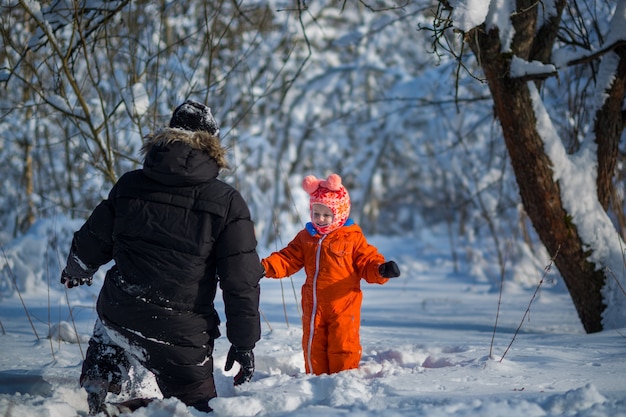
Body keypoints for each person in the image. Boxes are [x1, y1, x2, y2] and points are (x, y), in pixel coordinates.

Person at [60, 99, 265, 414]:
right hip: (181, 336)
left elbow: (94, 237)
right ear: (213, 143)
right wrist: (244, 343)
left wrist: (78, 267)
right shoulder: (226, 202)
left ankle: (99, 389)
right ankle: (137, 406)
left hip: (120, 312)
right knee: (195, 407)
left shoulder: (130, 185)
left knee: (110, 336)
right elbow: (241, 282)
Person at [261, 173, 400, 375]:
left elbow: (367, 260)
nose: (321, 219)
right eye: (316, 214)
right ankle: (314, 383)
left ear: (340, 214)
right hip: (314, 305)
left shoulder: (351, 237)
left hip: (343, 304)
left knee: (343, 344)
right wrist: (264, 267)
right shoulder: (306, 237)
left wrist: (380, 269)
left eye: (327, 215)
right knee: (313, 346)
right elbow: (287, 258)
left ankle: (343, 380)